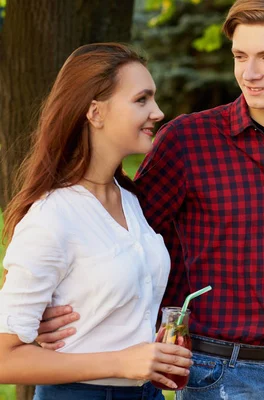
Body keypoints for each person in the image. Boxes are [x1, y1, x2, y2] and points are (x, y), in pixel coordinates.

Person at [36, 1, 264, 399]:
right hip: (214, 373)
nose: (249, 74)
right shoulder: (187, 142)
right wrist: (51, 303)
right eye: (240, 56)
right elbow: (122, 238)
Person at [0, 43, 192, 399]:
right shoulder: (52, 217)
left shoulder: (131, 200)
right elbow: (3, 359)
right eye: (142, 100)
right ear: (95, 113)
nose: (158, 111)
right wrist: (120, 362)